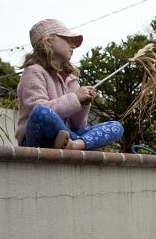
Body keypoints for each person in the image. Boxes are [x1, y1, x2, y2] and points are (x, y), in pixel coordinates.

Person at [16, 19, 125, 150]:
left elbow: (78, 125)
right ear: (48, 41)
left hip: (68, 137)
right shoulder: (34, 71)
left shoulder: (71, 78)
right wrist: (75, 98)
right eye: (68, 40)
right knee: (41, 112)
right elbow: (36, 111)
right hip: (36, 138)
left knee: (116, 126)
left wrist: (83, 104)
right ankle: (86, 143)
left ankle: (75, 145)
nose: (73, 46)